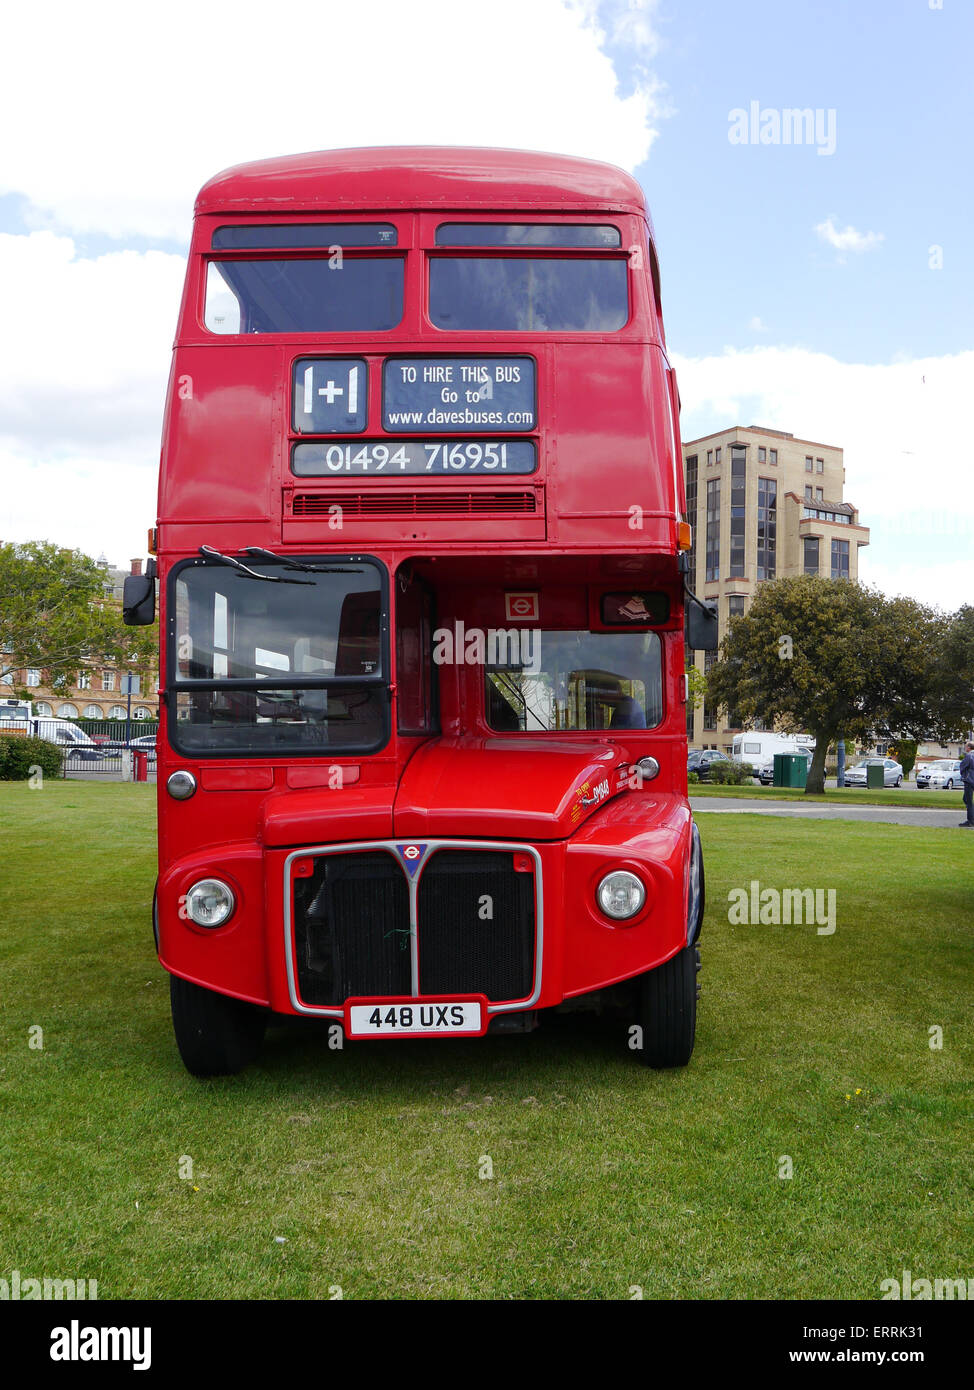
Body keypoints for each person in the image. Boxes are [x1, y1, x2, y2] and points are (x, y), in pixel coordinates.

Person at [959, 742, 974, 827]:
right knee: (966, 799)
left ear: (969, 747)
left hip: (969, 780)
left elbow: (962, 766)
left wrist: (964, 776)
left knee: (968, 800)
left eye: (966, 747)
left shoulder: (969, 756)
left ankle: (970, 821)